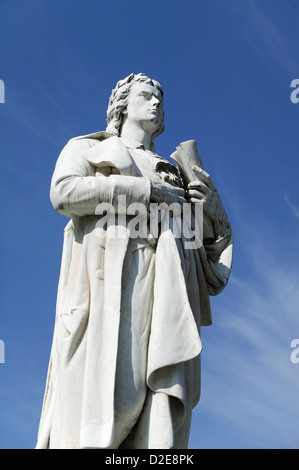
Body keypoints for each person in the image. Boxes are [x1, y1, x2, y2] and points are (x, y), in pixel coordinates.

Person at [36, 73, 233, 449]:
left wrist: (215, 212)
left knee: (159, 422)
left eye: (161, 99)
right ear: (122, 104)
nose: (157, 103)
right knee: (108, 406)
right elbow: (64, 193)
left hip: (170, 295)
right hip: (109, 288)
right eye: (147, 95)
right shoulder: (88, 148)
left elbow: (212, 269)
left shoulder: (175, 172)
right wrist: (146, 191)